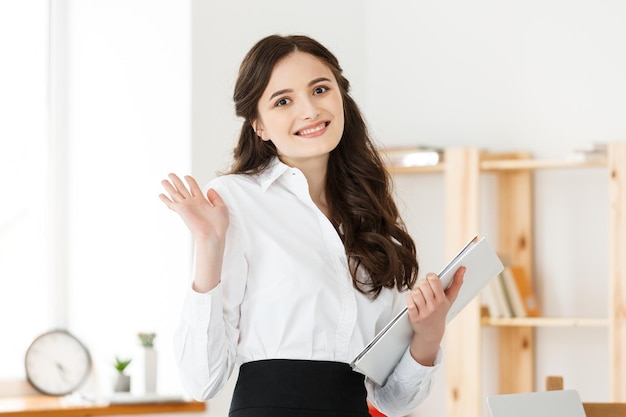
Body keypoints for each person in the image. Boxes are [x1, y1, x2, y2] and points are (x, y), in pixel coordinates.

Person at [159, 34, 465, 417]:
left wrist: (429, 334)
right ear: (259, 126)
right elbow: (202, 380)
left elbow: (392, 400)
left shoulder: (368, 216)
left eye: (320, 89)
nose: (309, 110)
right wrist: (208, 243)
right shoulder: (234, 200)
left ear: (341, 97)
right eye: (283, 101)